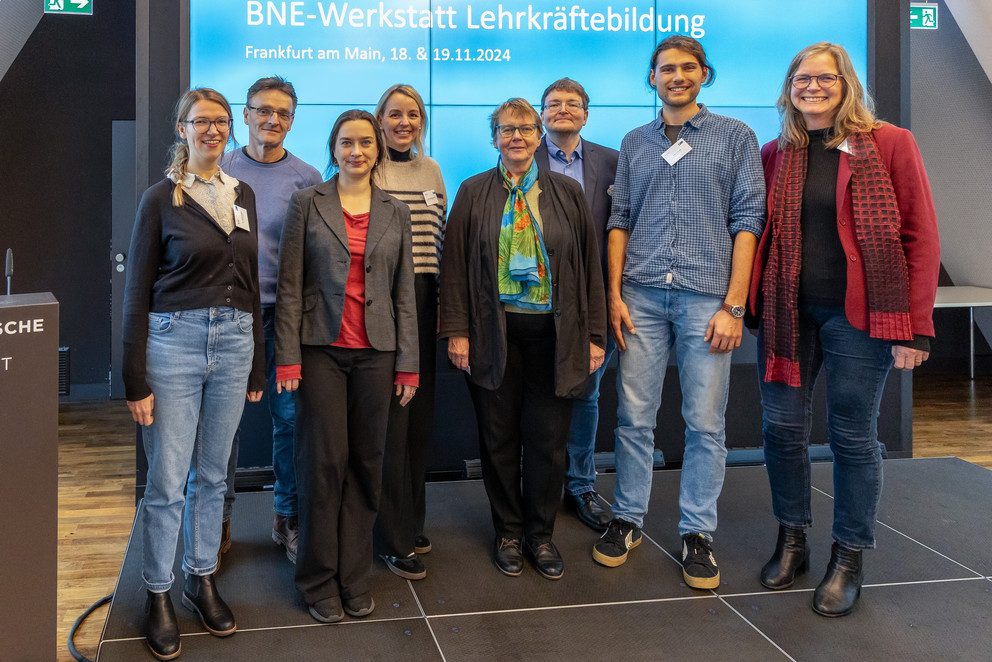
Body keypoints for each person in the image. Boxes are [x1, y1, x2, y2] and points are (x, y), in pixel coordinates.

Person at [748, 42, 940, 617]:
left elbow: (921, 236)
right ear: (789, 88)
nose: (812, 87)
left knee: (852, 436)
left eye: (823, 78)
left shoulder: (890, 143)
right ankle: (792, 539)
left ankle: (849, 555)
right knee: (781, 430)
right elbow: (763, 232)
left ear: (845, 82)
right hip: (788, 313)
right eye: (802, 79)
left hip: (862, 316)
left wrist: (917, 327)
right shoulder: (776, 152)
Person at [594, 36, 766, 591]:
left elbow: (748, 223)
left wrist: (734, 306)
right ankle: (628, 519)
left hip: (707, 299)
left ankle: (697, 532)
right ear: (652, 77)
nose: (677, 76)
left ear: (704, 75)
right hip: (641, 294)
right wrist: (614, 294)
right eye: (666, 69)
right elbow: (618, 220)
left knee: (705, 423)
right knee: (633, 418)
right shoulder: (635, 141)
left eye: (688, 68)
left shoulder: (736, 137)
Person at [122, 88, 265, 660]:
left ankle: (199, 576)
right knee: (167, 479)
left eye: (221, 122)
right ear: (181, 129)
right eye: (201, 121)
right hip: (172, 347)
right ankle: (157, 592)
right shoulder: (161, 198)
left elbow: (250, 284)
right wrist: (135, 377)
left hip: (233, 345)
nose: (213, 130)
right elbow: (136, 292)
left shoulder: (243, 193)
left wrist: (254, 356)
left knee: (213, 475)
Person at [439, 98, 607, 581]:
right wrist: (457, 333)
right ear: (494, 138)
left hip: (556, 338)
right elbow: (453, 269)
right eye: (506, 129)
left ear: (539, 137)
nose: (516, 137)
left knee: (548, 442)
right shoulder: (472, 192)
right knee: (498, 440)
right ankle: (508, 532)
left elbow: (588, 268)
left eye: (525, 129)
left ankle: (541, 534)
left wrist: (595, 334)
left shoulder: (567, 193)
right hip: (493, 336)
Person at [275, 109, 418, 623]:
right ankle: (317, 582)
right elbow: (290, 286)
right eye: (345, 143)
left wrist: (409, 365)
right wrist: (287, 357)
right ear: (332, 149)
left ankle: (355, 577)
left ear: (378, 149)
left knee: (365, 465)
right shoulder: (306, 203)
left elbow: (405, 293)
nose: (356, 151)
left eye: (365, 143)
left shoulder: (395, 211)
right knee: (322, 465)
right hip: (320, 353)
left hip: (378, 355)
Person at [218, 76, 322, 567]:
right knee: (223, 424)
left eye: (282, 113)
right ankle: (216, 524)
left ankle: (287, 518)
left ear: (292, 119)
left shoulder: (307, 176)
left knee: (289, 418)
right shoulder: (218, 166)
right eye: (263, 111)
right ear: (245, 114)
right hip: (228, 312)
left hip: (287, 315)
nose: (272, 120)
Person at [535, 77, 619, 532]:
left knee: (586, 395)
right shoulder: (522, 157)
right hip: (535, 300)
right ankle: (541, 482)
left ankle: (581, 484)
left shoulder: (613, 162)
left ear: (586, 113)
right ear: (541, 114)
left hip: (594, 300)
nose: (563, 110)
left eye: (572, 104)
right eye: (553, 104)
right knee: (540, 392)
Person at [371, 84, 447, 581]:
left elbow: (440, 241)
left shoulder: (433, 169)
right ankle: (391, 536)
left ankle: (409, 520)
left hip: (427, 301)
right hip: (383, 304)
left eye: (412, 115)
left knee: (418, 424)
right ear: (379, 120)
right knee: (391, 427)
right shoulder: (367, 168)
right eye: (394, 114)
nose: (404, 122)